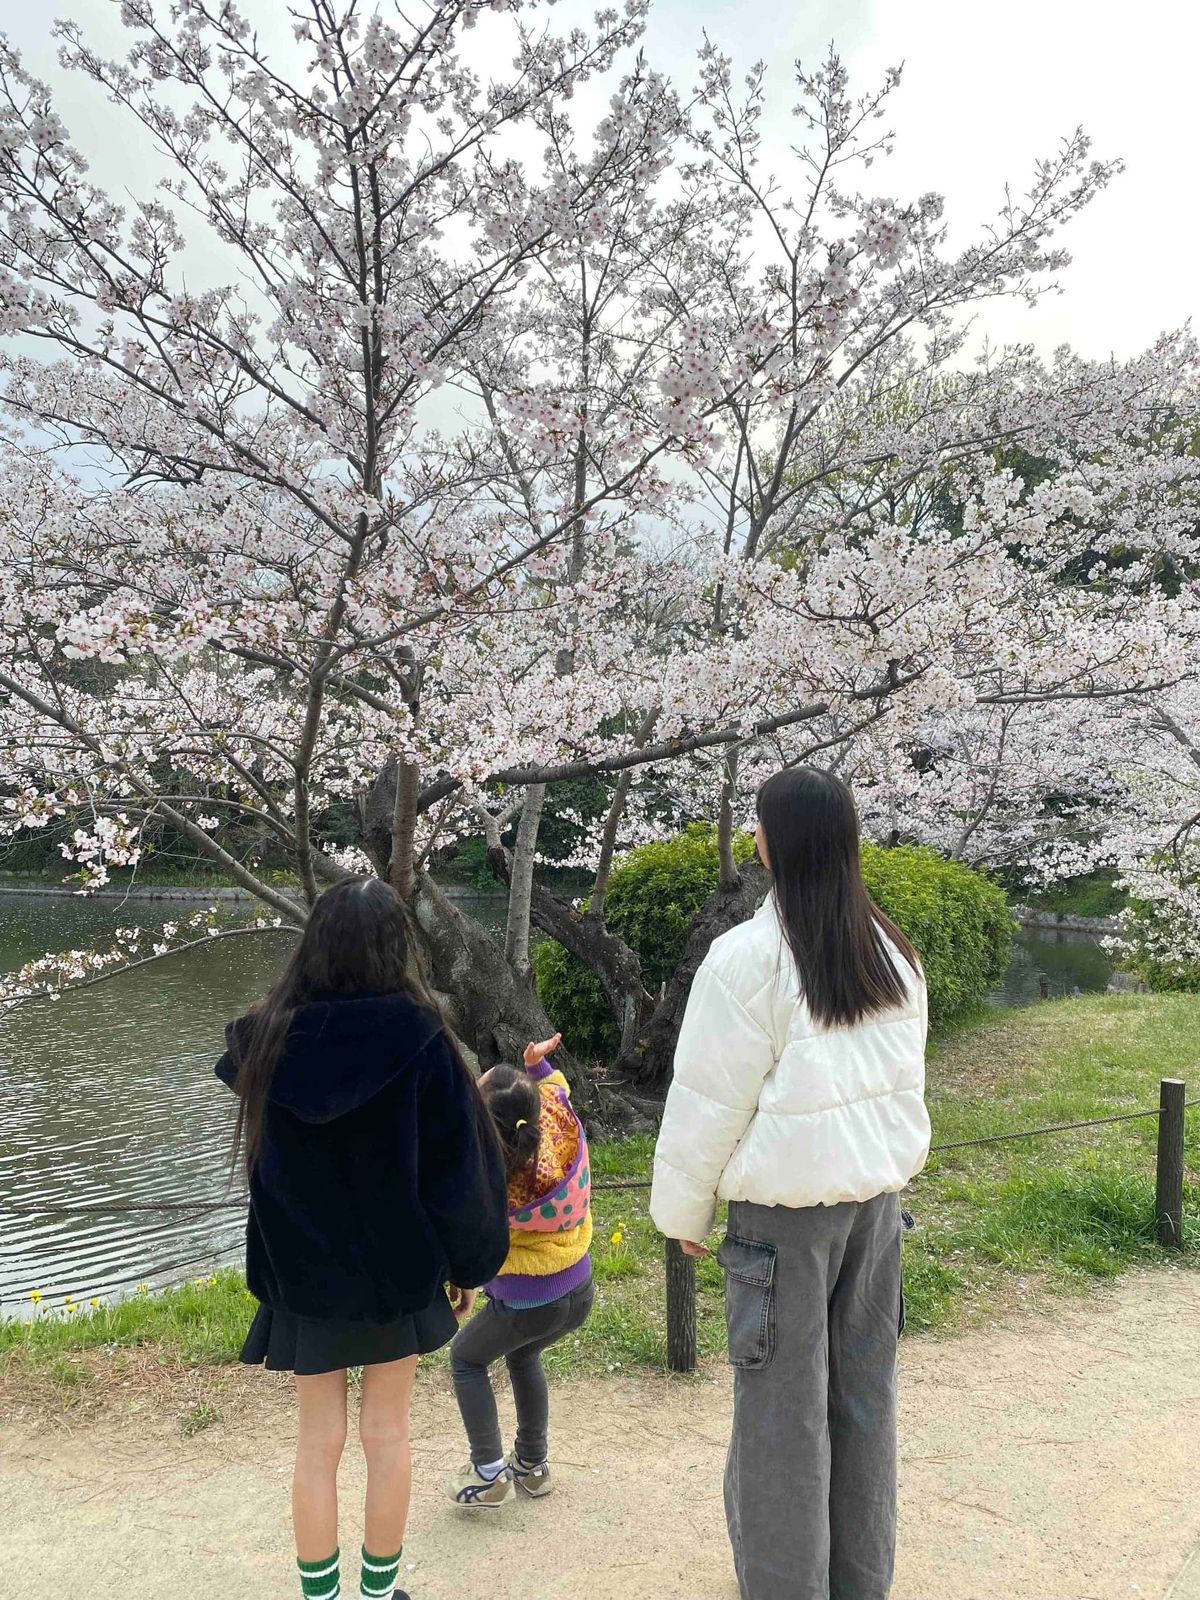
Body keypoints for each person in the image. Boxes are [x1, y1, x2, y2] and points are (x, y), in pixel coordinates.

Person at [650, 767, 930, 1600]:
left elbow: (708, 1100)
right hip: (875, 1213)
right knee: (864, 1404)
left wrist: (684, 1212)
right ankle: (859, 1584)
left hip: (783, 1224)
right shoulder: (892, 952)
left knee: (781, 1421)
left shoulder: (747, 960)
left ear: (775, 842)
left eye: (760, 827)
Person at [215, 876, 509, 1600]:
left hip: (302, 1274)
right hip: (396, 1273)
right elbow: (458, 1169)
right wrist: (469, 1263)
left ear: (313, 944)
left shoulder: (267, 1037)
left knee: (317, 1442)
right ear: (395, 947)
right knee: (387, 1434)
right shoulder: (423, 1038)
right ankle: (378, 1595)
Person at [447, 1030, 595, 1508]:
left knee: (466, 1359)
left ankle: (489, 1472)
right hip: (579, 1284)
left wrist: (461, 1279)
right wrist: (536, 1067)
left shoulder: (492, 1181)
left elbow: (470, 1240)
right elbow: (557, 1089)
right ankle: (532, 1465)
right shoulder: (558, 1124)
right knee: (523, 1357)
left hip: (529, 1301)